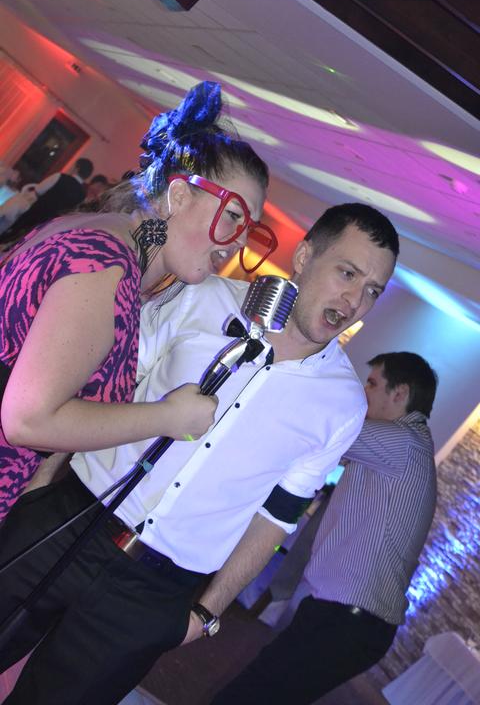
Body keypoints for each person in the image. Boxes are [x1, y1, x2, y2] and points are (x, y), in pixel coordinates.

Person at [0, 203, 399, 705]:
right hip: (68, 516)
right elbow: (104, 384)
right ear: (304, 257)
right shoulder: (205, 297)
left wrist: (208, 612)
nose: (354, 299)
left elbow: (277, 515)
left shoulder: (344, 404)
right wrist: (39, 487)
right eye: (347, 273)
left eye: (372, 290)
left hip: (153, 592)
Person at [0, 80, 273, 520]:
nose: (238, 241)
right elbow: (28, 420)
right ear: (178, 196)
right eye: (234, 216)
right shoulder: (105, 264)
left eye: (249, 229)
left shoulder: (104, 239)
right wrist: (167, 417)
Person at [211, 352, 438, 705]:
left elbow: (324, 427)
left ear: (400, 393)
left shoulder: (404, 443)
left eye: (372, 383)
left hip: (348, 619)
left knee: (253, 692)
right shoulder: (405, 444)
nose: (363, 392)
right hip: (348, 618)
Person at [0, 157, 94, 244]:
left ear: (77, 168)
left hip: (36, 213)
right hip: (49, 225)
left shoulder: (60, 177)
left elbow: (39, 190)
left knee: (13, 232)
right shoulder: (82, 195)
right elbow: (70, 211)